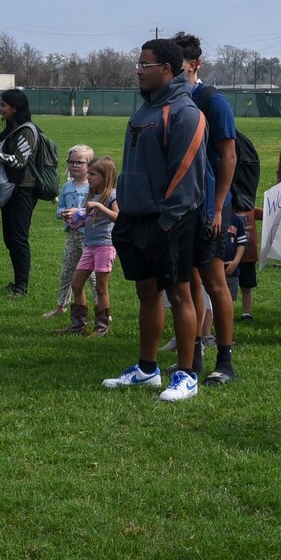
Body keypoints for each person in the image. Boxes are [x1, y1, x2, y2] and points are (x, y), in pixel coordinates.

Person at [102, 39, 205, 401]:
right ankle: (147, 369)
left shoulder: (184, 112)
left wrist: (167, 220)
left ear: (166, 69)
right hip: (135, 217)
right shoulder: (143, 111)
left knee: (180, 294)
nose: (138, 70)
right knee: (147, 292)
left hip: (170, 220)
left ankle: (187, 374)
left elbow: (186, 174)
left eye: (144, 64)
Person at [176, 34, 240, 385]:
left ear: (194, 65)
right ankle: (193, 356)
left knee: (215, 283)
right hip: (179, 207)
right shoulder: (170, 99)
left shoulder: (212, 101)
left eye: (179, 66)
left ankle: (225, 361)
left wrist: (218, 207)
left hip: (211, 205)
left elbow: (229, 155)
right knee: (187, 283)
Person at [0, 89, 44, 297]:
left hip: (25, 190)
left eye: (4, 105)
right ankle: (17, 282)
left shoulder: (27, 131)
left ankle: (22, 286)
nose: (0, 108)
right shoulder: (13, 129)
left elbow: (19, 161)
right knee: (9, 238)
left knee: (19, 237)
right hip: (11, 188)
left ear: (15, 108)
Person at [45, 144, 93, 323]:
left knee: (93, 277)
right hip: (72, 235)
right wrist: (63, 213)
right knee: (67, 270)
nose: (74, 166)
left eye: (79, 162)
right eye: (71, 162)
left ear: (90, 165)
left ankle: (101, 308)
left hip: (88, 236)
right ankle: (61, 305)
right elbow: (59, 210)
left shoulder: (92, 187)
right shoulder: (66, 186)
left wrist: (78, 212)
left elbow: (94, 212)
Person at [70, 156, 118, 335]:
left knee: (100, 287)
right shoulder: (93, 195)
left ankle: (101, 327)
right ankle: (78, 325)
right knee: (76, 284)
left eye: (93, 174)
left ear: (105, 177)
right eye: (88, 173)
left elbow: (118, 217)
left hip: (105, 245)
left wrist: (99, 205)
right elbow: (92, 218)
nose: (88, 177)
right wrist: (78, 221)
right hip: (90, 246)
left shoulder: (111, 195)